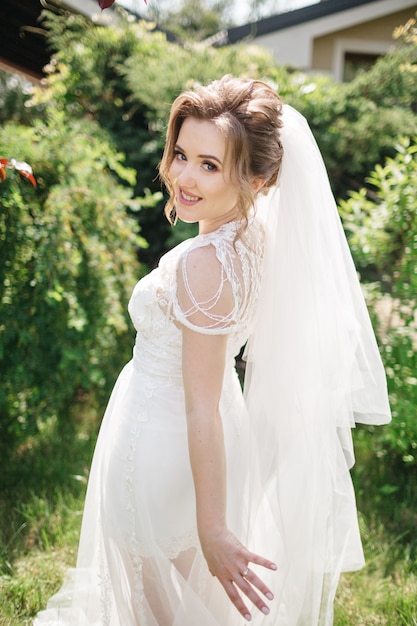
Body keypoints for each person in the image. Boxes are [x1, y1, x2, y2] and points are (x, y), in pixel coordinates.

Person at [34, 75, 391, 626]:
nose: (182, 176)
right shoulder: (250, 239)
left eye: (209, 165)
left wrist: (213, 528)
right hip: (195, 434)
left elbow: (198, 403)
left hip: (165, 447)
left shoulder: (205, 264)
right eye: (181, 154)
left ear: (260, 178)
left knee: (160, 610)